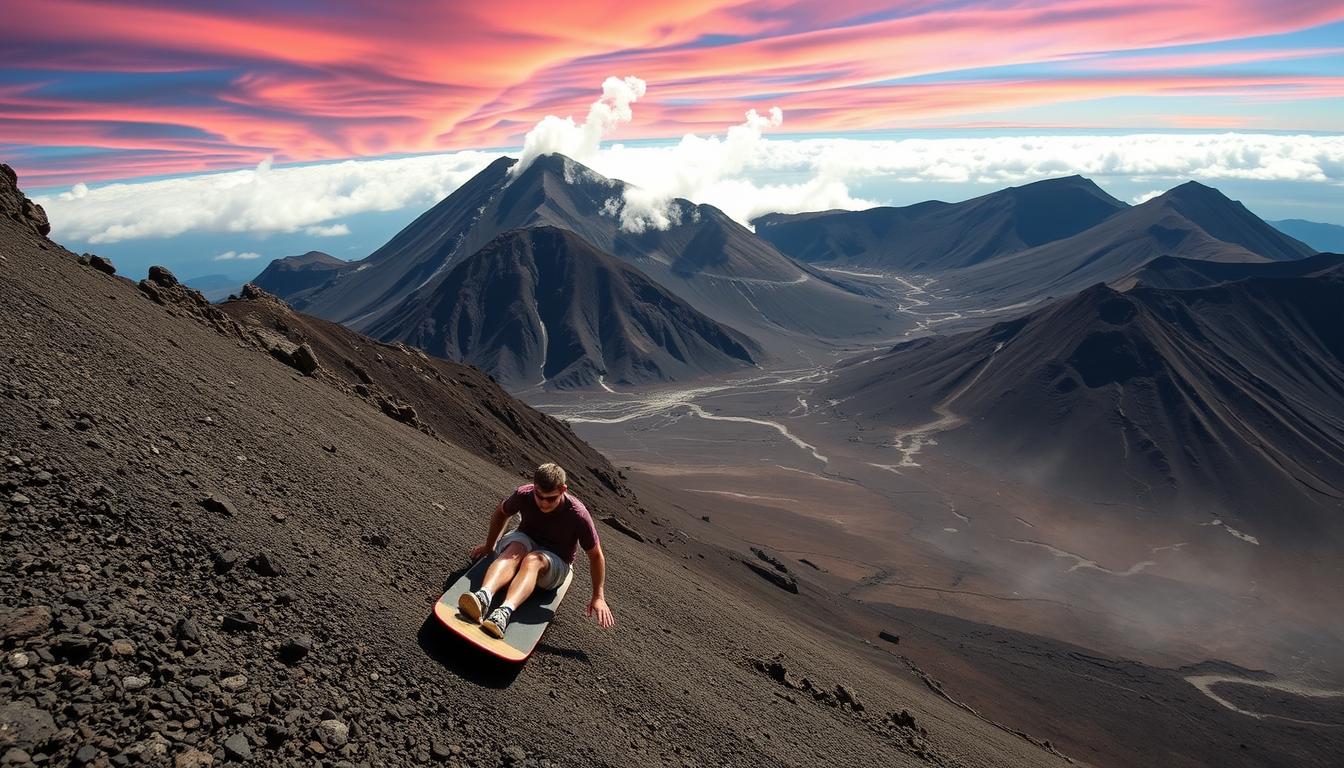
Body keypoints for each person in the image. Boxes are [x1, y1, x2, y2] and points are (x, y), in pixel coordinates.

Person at [460, 462, 615, 638]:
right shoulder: (524, 494)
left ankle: (503, 613)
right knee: (516, 548)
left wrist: (598, 596)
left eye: (551, 498)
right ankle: (483, 597)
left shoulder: (578, 515)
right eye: (539, 496)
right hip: (524, 540)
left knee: (533, 559)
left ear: (563, 490)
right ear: (534, 487)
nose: (544, 503)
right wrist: (490, 546)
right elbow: (501, 511)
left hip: (555, 561)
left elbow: (596, 556)